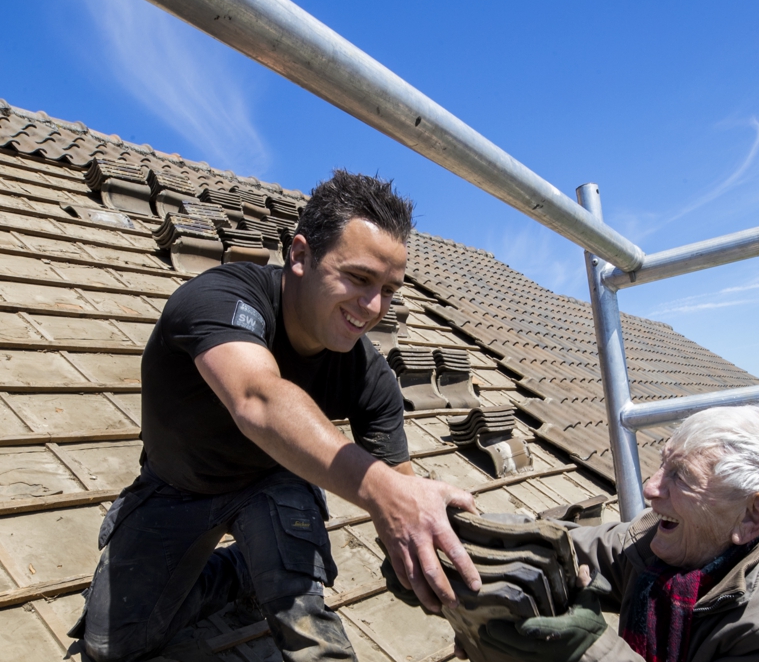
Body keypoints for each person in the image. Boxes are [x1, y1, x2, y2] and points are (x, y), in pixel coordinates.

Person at [73, 171, 481, 662]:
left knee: (311, 636)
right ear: (301, 255)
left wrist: (467, 604)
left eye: (390, 290)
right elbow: (257, 398)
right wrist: (384, 491)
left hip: (274, 485)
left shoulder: (370, 375)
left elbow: (404, 500)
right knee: (110, 646)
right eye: (358, 278)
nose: (373, 307)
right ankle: (237, 573)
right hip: (177, 486)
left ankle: (273, 568)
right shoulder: (220, 299)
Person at [479, 403, 759, 662]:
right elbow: (563, 545)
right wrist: (452, 522)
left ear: (753, 515)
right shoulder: (680, 540)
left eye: (680, 476)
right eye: (663, 464)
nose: (650, 489)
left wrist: (592, 652)